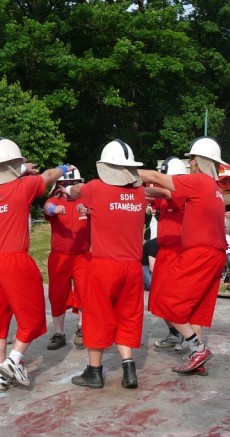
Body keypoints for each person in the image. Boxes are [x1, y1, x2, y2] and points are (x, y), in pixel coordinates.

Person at [0, 138, 74, 392]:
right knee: (32, 315)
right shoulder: (24, 186)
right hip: (13, 260)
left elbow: (0, 173)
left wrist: (20, 169)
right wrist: (64, 168)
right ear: (15, 164)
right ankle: (14, 359)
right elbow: (49, 176)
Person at [138, 136, 227, 375]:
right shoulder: (216, 189)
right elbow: (162, 192)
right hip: (216, 254)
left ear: (199, 160)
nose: (191, 164)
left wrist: (126, 174)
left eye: (192, 159)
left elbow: (156, 178)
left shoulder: (199, 181)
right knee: (196, 310)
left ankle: (198, 349)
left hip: (200, 252)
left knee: (166, 301)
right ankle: (197, 359)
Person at [66, 139, 146, 389]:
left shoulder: (95, 189)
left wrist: (71, 190)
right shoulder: (139, 193)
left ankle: (94, 371)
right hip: (132, 267)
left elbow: (77, 190)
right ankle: (129, 369)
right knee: (128, 316)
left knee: (97, 316)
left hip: (104, 265)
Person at [44, 167, 91, 350]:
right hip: (59, 256)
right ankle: (59, 333)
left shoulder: (86, 201)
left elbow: (101, 210)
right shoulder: (54, 200)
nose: (69, 187)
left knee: (85, 291)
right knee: (57, 295)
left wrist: (89, 210)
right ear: (59, 185)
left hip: (82, 256)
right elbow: (47, 208)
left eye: (73, 183)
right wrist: (55, 209)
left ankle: (82, 327)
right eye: (66, 183)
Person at [149, 156, 189, 354]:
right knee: (158, 297)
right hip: (164, 250)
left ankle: (185, 334)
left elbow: (161, 192)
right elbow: (152, 197)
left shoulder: (180, 191)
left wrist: (135, 186)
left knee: (175, 297)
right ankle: (174, 333)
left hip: (178, 251)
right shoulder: (164, 193)